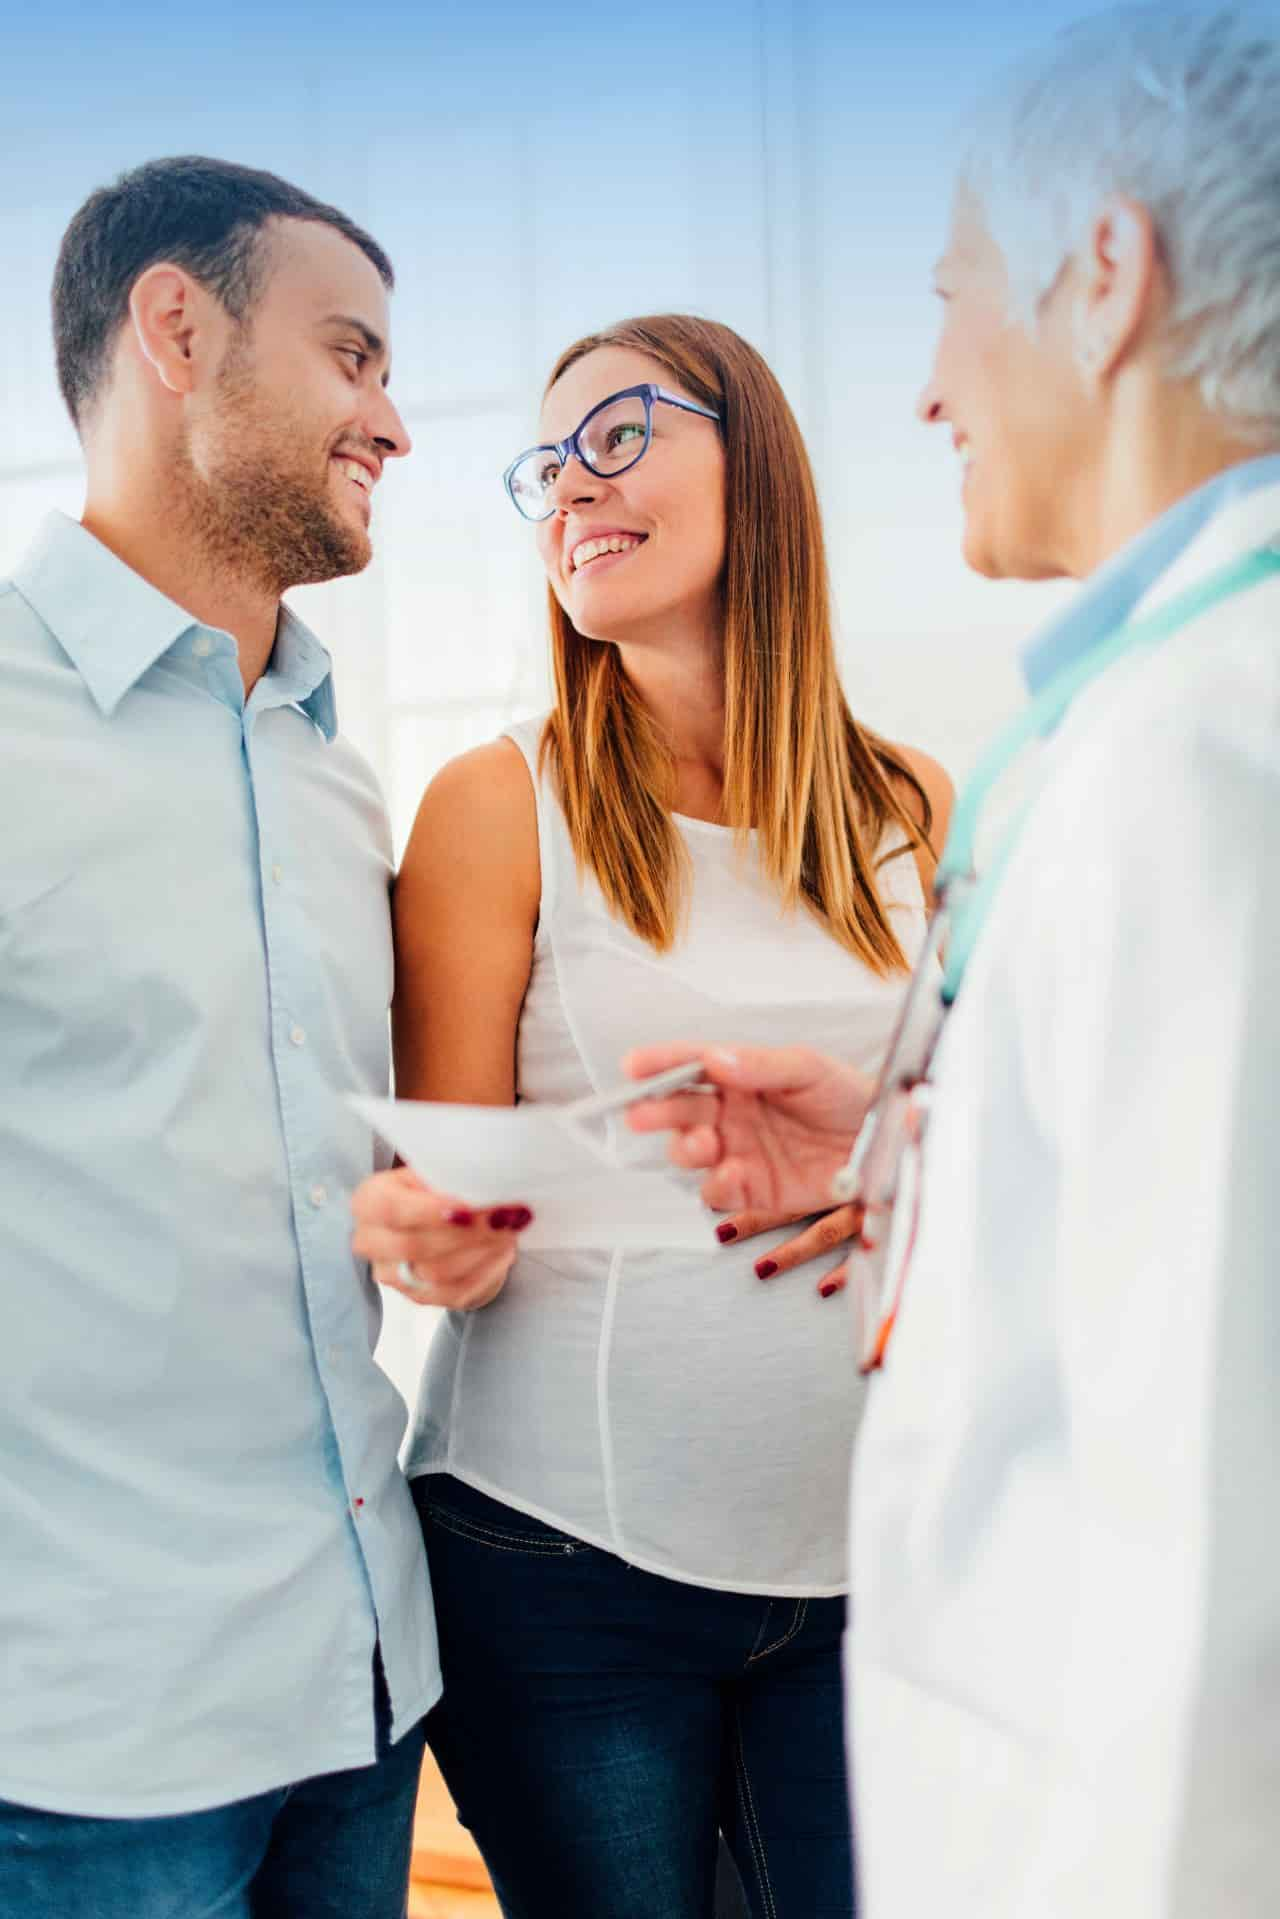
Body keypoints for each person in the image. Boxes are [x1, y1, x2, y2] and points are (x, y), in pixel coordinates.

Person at [624, 8, 1280, 1915]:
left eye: (949, 298)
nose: (926, 389)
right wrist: (917, 1147)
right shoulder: (1151, 720)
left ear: (1105, 280)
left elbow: (1219, 1541)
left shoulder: (1201, 756)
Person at [356, 312, 951, 1919]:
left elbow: (971, 1154)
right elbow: (442, 1195)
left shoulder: (917, 809)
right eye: (546, 462)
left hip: (859, 1561)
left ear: (751, 462)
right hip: (568, 1574)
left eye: (618, 434)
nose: (572, 485)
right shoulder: (499, 804)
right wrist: (435, 1241)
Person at [0, 156, 521, 1919]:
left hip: (362, 1680)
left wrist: (432, 1217)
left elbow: (311, 1170)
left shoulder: (329, 767)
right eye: (353, 356)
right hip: (83, 1743)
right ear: (176, 328)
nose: (390, 417)